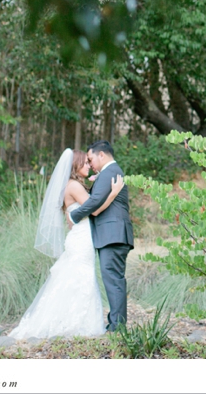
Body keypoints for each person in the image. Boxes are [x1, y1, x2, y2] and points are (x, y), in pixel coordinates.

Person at [8, 148, 124, 340]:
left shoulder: (71, 185)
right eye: (85, 162)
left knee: (76, 277)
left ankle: (74, 320)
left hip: (79, 237)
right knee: (81, 277)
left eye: (89, 162)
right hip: (81, 239)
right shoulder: (74, 187)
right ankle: (74, 323)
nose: (89, 165)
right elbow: (94, 210)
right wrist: (113, 193)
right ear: (75, 165)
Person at [68, 140, 134, 332]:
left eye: (91, 159)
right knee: (113, 279)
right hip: (112, 235)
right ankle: (115, 323)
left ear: (101, 155)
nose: (91, 165)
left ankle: (117, 327)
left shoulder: (110, 172)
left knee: (113, 279)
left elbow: (95, 202)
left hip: (113, 235)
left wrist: (74, 215)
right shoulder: (108, 174)